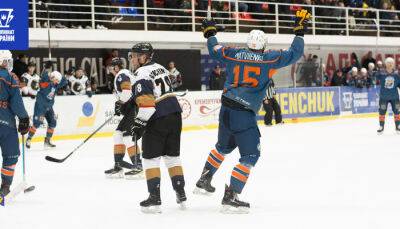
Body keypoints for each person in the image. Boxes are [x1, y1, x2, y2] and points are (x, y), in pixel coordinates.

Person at [193, 9, 309, 213]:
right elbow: (294, 53)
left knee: (222, 147)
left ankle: (204, 178)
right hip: (244, 113)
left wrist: (211, 33)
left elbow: (214, 49)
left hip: (226, 108)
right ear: (263, 45)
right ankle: (231, 196)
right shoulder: (269, 58)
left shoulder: (234, 53)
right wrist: (299, 32)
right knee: (250, 156)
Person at [129, 43, 186, 213]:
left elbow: (147, 106)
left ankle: (154, 198)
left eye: (134, 55)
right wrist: (132, 101)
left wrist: (139, 124)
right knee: (172, 157)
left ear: (143, 57)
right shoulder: (160, 67)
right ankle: (180, 192)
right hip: (175, 115)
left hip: (157, 118)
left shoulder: (141, 73)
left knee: (150, 159)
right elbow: (157, 90)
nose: (131, 58)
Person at [104, 57, 143, 179]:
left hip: (134, 108)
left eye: (111, 66)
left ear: (116, 67)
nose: (110, 69)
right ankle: (118, 166)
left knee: (128, 137)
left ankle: (139, 167)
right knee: (118, 134)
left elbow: (126, 92)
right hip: (132, 108)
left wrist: (120, 104)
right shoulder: (124, 73)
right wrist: (121, 106)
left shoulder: (121, 75)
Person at [0, 50, 30, 196]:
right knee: (11, 154)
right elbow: (16, 101)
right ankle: (5, 186)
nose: (8, 64)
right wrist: (23, 118)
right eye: (6, 61)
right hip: (4, 121)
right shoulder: (10, 77)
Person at [25, 63, 67, 149]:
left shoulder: (56, 85)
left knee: (53, 122)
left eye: (58, 80)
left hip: (49, 107)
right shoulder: (45, 83)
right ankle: (29, 139)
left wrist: (65, 75)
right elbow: (44, 76)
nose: (58, 82)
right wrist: (46, 68)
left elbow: (64, 81)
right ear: (52, 78)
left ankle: (47, 141)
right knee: (37, 123)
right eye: (56, 80)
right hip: (40, 106)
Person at [375, 57, 400, 134]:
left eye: (391, 63)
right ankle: (381, 126)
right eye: (388, 63)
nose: (390, 64)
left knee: (397, 111)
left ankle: (398, 126)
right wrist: (377, 70)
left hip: (394, 97)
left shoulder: (396, 74)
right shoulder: (381, 73)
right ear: (385, 64)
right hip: (384, 97)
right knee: (382, 111)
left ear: (393, 64)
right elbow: (375, 76)